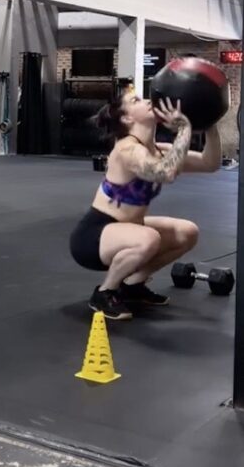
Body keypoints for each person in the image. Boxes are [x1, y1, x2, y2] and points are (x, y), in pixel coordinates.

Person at [69, 91, 222, 320]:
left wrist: (210, 124)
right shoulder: (126, 149)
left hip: (130, 229)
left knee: (187, 232)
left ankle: (133, 285)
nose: (148, 101)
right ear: (127, 118)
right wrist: (184, 129)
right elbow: (165, 172)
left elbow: (210, 163)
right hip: (93, 237)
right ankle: (105, 292)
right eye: (136, 101)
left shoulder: (159, 150)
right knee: (149, 237)